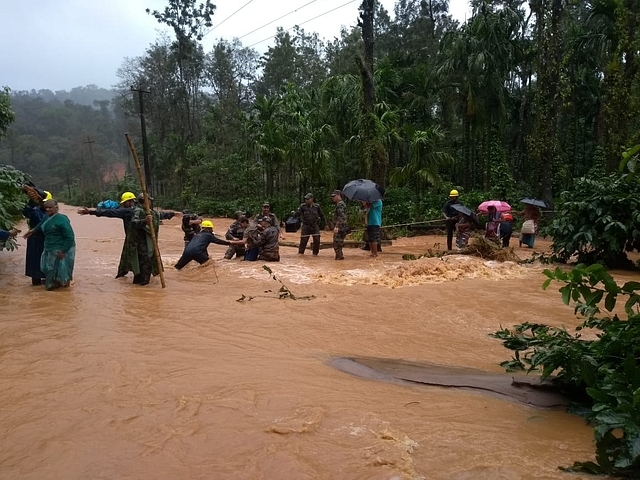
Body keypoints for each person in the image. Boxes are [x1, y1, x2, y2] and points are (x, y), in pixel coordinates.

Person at [79, 192, 175, 278]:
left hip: (136, 243)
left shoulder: (132, 211)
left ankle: (129, 280)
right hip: (137, 243)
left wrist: (91, 212)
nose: (124, 205)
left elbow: (110, 212)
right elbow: (110, 212)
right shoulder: (136, 211)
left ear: (130, 201)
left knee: (133, 265)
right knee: (136, 265)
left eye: (125, 203)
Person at [23, 199, 75, 291]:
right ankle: (51, 285)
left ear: (56, 208)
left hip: (62, 248)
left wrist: (63, 251)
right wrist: (32, 231)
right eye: (46, 207)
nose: (47, 209)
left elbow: (70, 236)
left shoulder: (62, 219)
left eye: (50, 207)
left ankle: (65, 291)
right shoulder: (46, 217)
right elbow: (41, 224)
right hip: (49, 246)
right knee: (48, 268)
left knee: (64, 271)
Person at [119, 194, 161, 286]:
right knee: (144, 270)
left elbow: (159, 216)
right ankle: (141, 292)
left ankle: (137, 292)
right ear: (146, 201)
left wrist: (172, 214)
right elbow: (134, 223)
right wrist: (144, 221)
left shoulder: (148, 211)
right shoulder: (138, 211)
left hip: (146, 245)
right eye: (149, 200)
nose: (150, 202)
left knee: (142, 272)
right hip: (141, 247)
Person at [175, 220, 241, 269]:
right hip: (197, 252)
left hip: (186, 251)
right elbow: (219, 241)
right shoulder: (208, 235)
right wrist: (231, 242)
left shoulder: (197, 234)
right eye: (211, 228)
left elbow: (201, 246)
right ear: (209, 228)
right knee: (208, 265)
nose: (212, 230)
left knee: (177, 267)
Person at [22, 186, 48, 285]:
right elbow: (26, 212)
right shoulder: (33, 209)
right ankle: (36, 281)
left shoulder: (50, 211)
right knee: (34, 263)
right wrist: (32, 200)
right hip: (35, 239)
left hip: (47, 239)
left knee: (47, 263)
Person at [331, 190, 348, 260]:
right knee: (338, 243)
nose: (333, 198)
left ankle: (339, 258)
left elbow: (342, 216)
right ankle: (339, 257)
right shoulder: (340, 204)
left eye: (334, 196)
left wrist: (337, 226)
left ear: (338, 195)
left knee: (337, 243)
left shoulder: (340, 204)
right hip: (341, 227)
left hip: (340, 227)